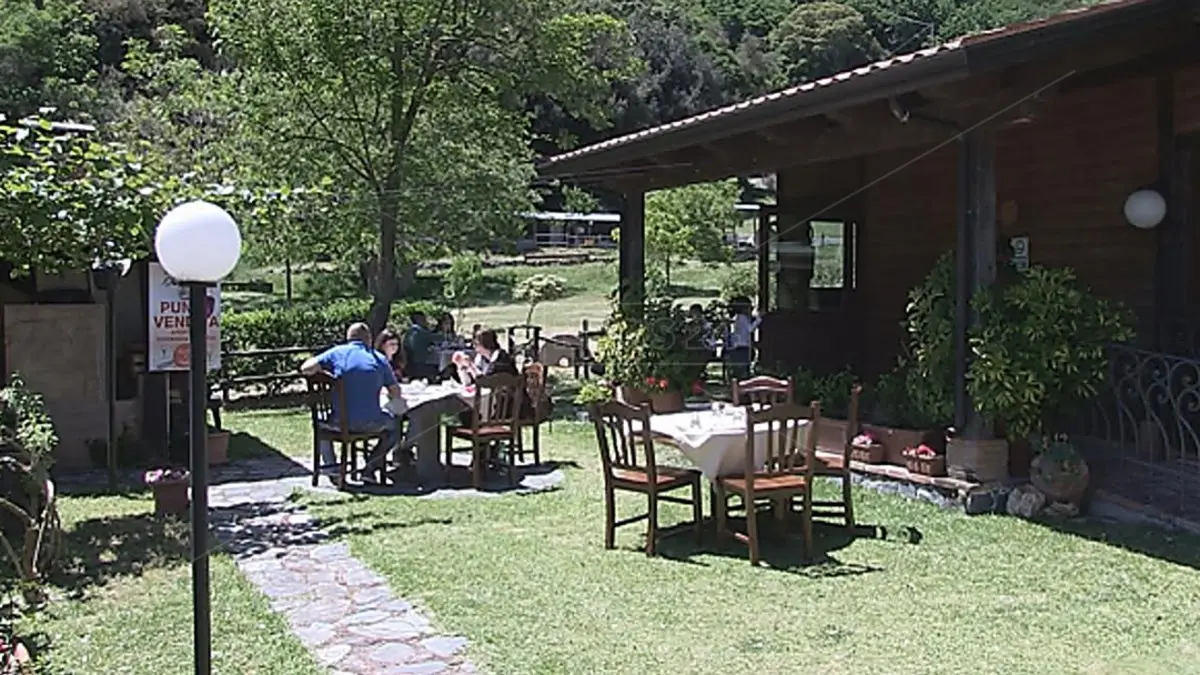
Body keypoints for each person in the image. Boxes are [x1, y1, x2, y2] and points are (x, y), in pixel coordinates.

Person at [300, 322, 401, 478]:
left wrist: (324, 373)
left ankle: (331, 466)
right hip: (371, 422)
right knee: (395, 426)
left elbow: (305, 368)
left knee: (319, 422)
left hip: (338, 422)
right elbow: (395, 393)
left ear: (348, 338)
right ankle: (371, 466)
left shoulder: (336, 353)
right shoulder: (379, 358)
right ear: (369, 339)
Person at [724, 296, 760, 380]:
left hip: (737, 345)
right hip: (742, 345)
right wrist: (759, 319)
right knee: (743, 370)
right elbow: (750, 329)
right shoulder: (742, 318)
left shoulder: (736, 317)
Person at [403, 312, 436, 380]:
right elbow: (435, 338)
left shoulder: (409, 332)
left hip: (410, 364)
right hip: (421, 364)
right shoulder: (420, 331)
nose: (425, 321)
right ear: (418, 320)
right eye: (423, 319)